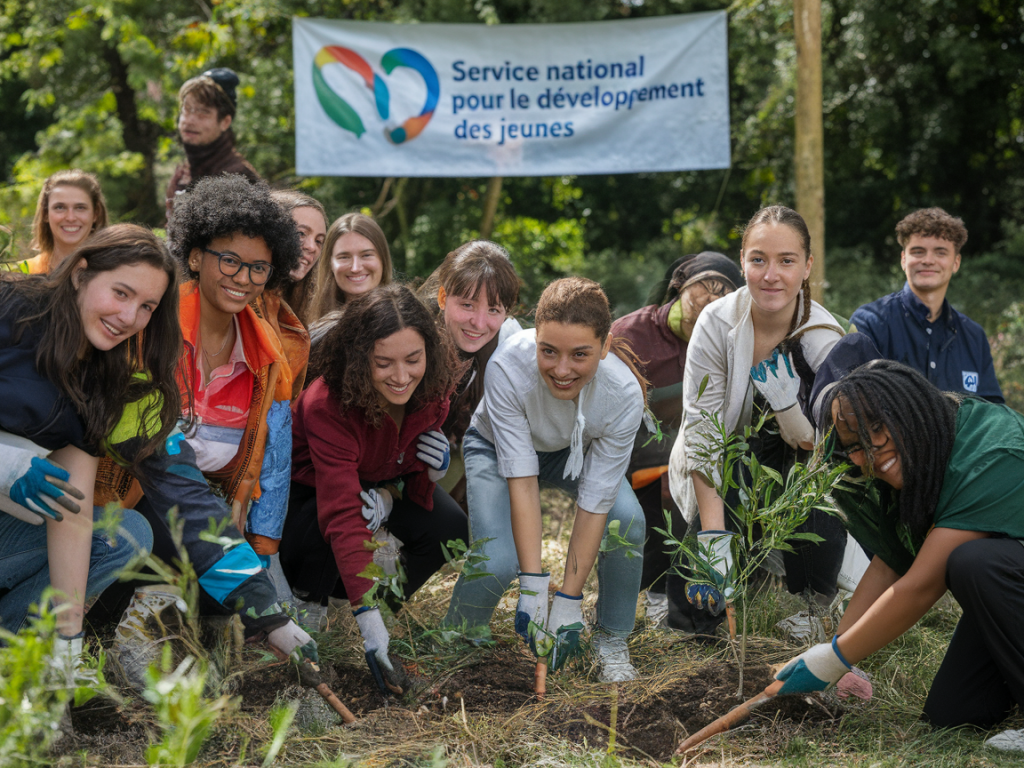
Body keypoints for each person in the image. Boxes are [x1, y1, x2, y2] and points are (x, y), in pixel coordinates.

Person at [774, 360, 1024, 754]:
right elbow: (891, 563)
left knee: (974, 563)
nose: (870, 452)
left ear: (910, 410)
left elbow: (921, 585)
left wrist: (835, 659)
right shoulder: (923, 464)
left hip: (1000, 571)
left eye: (878, 428)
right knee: (952, 714)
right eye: (855, 446)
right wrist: (834, 652)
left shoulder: (990, 450)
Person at [447, 277, 649, 682]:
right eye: (548, 351)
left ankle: (611, 638)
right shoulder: (507, 367)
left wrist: (569, 601)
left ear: (605, 346)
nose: (561, 369)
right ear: (534, 337)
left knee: (626, 520)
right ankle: (458, 637)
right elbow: (523, 484)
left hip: (572, 451)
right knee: (498, 559)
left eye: (580, 354)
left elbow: (595, 504)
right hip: (495, 445)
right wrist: (534, 588)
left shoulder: (623, 395)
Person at [0, 224, 183, 664]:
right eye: (120, 293)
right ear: (81, 273)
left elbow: (74, 514)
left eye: (146, 307)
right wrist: (7, 467)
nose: (129, 317)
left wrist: (69, 637)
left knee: (124, 534)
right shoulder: (11, 310)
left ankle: (16, 655)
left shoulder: (98, 378)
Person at [668, 205, 847, 639]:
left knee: (811, 492)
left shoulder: (825, 340)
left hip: (798, 465)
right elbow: (705, 431)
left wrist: (790, 414)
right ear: (743, 259)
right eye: (758, 259)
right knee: (695, 604)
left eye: (787, 261)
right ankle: (702, 630)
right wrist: (713, 536)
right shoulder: (716, 321)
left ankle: (814, 606)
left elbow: (829, 449)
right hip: (720, 462)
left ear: (806, 267)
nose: (771, 275)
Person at [279, 284, 468, 692]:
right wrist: (370, 623)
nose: (402, 377)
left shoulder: (433, 388)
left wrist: (406, 484)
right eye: (384, 363)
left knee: (449, 524)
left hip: (376, 487)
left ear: (428, 354)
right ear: (359, 358)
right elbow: (342, 510)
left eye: (413, 360)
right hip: (310, 498)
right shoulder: (327, 403)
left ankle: (367, 606)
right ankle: (315, 609)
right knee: (327, 529)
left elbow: (403, 460)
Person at [609, 251, 742, 628]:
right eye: (705, 287)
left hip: (694, 451)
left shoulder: (727, 339)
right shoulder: (629, 334)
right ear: (679, 286)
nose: (711, 301)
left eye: (724, 294)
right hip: (632, 453)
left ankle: (693, 593)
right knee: (660, 501)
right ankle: (651, 595)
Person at [849, 208, 1003, 402]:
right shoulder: (869, 323)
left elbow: (992, 414)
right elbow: (855, 404)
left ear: (956, 263)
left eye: (940, 252)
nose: (928, 261)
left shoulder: (974, 336)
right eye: (918, 251)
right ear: (904, 260)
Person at [418, 240, 523, 509]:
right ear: (443, 298)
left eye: (493, 309)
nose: (478, 323)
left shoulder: (508, 347)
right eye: (467, 305)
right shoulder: (411, 338)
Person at [165, 67, 261, 220]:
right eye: (186, 109)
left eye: (203, 112)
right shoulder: (183, 173)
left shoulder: (237, 178)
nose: (190, 120)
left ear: (225, 122)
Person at [5, 170, 109, 274]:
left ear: (95, 214)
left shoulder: (112, 271)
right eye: (60, 207)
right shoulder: (20, 272)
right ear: (45, 213)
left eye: (80, 208)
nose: (70, 217)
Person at [307, 212, 393, 337]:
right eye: (344, 257)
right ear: (330, 263)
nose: (355, 268)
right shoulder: (313, 334)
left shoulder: (407, 321)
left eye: (366, 255)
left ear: (382, 260)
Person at [269, 189, 328, 328]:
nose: (312, 247)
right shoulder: (239, 301)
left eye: (319, 241)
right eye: (301, 233)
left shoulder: (306, 317)